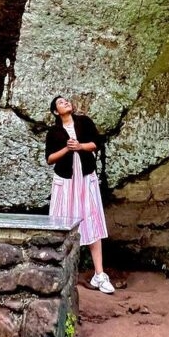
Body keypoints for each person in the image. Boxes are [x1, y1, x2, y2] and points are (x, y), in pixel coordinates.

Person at [45, 95, 115, 294]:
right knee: (61, 223)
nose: (66, 102)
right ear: (55, 111)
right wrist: (67, 149)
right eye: (60, 102)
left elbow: (96, 143)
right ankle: (59, 274)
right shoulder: (54, 132)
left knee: (92, 220)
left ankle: (99, 275)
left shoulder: (84, 122)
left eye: (67, 100)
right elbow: (50, 158)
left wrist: (81, 147)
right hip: (66, 182)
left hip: (85, 178)